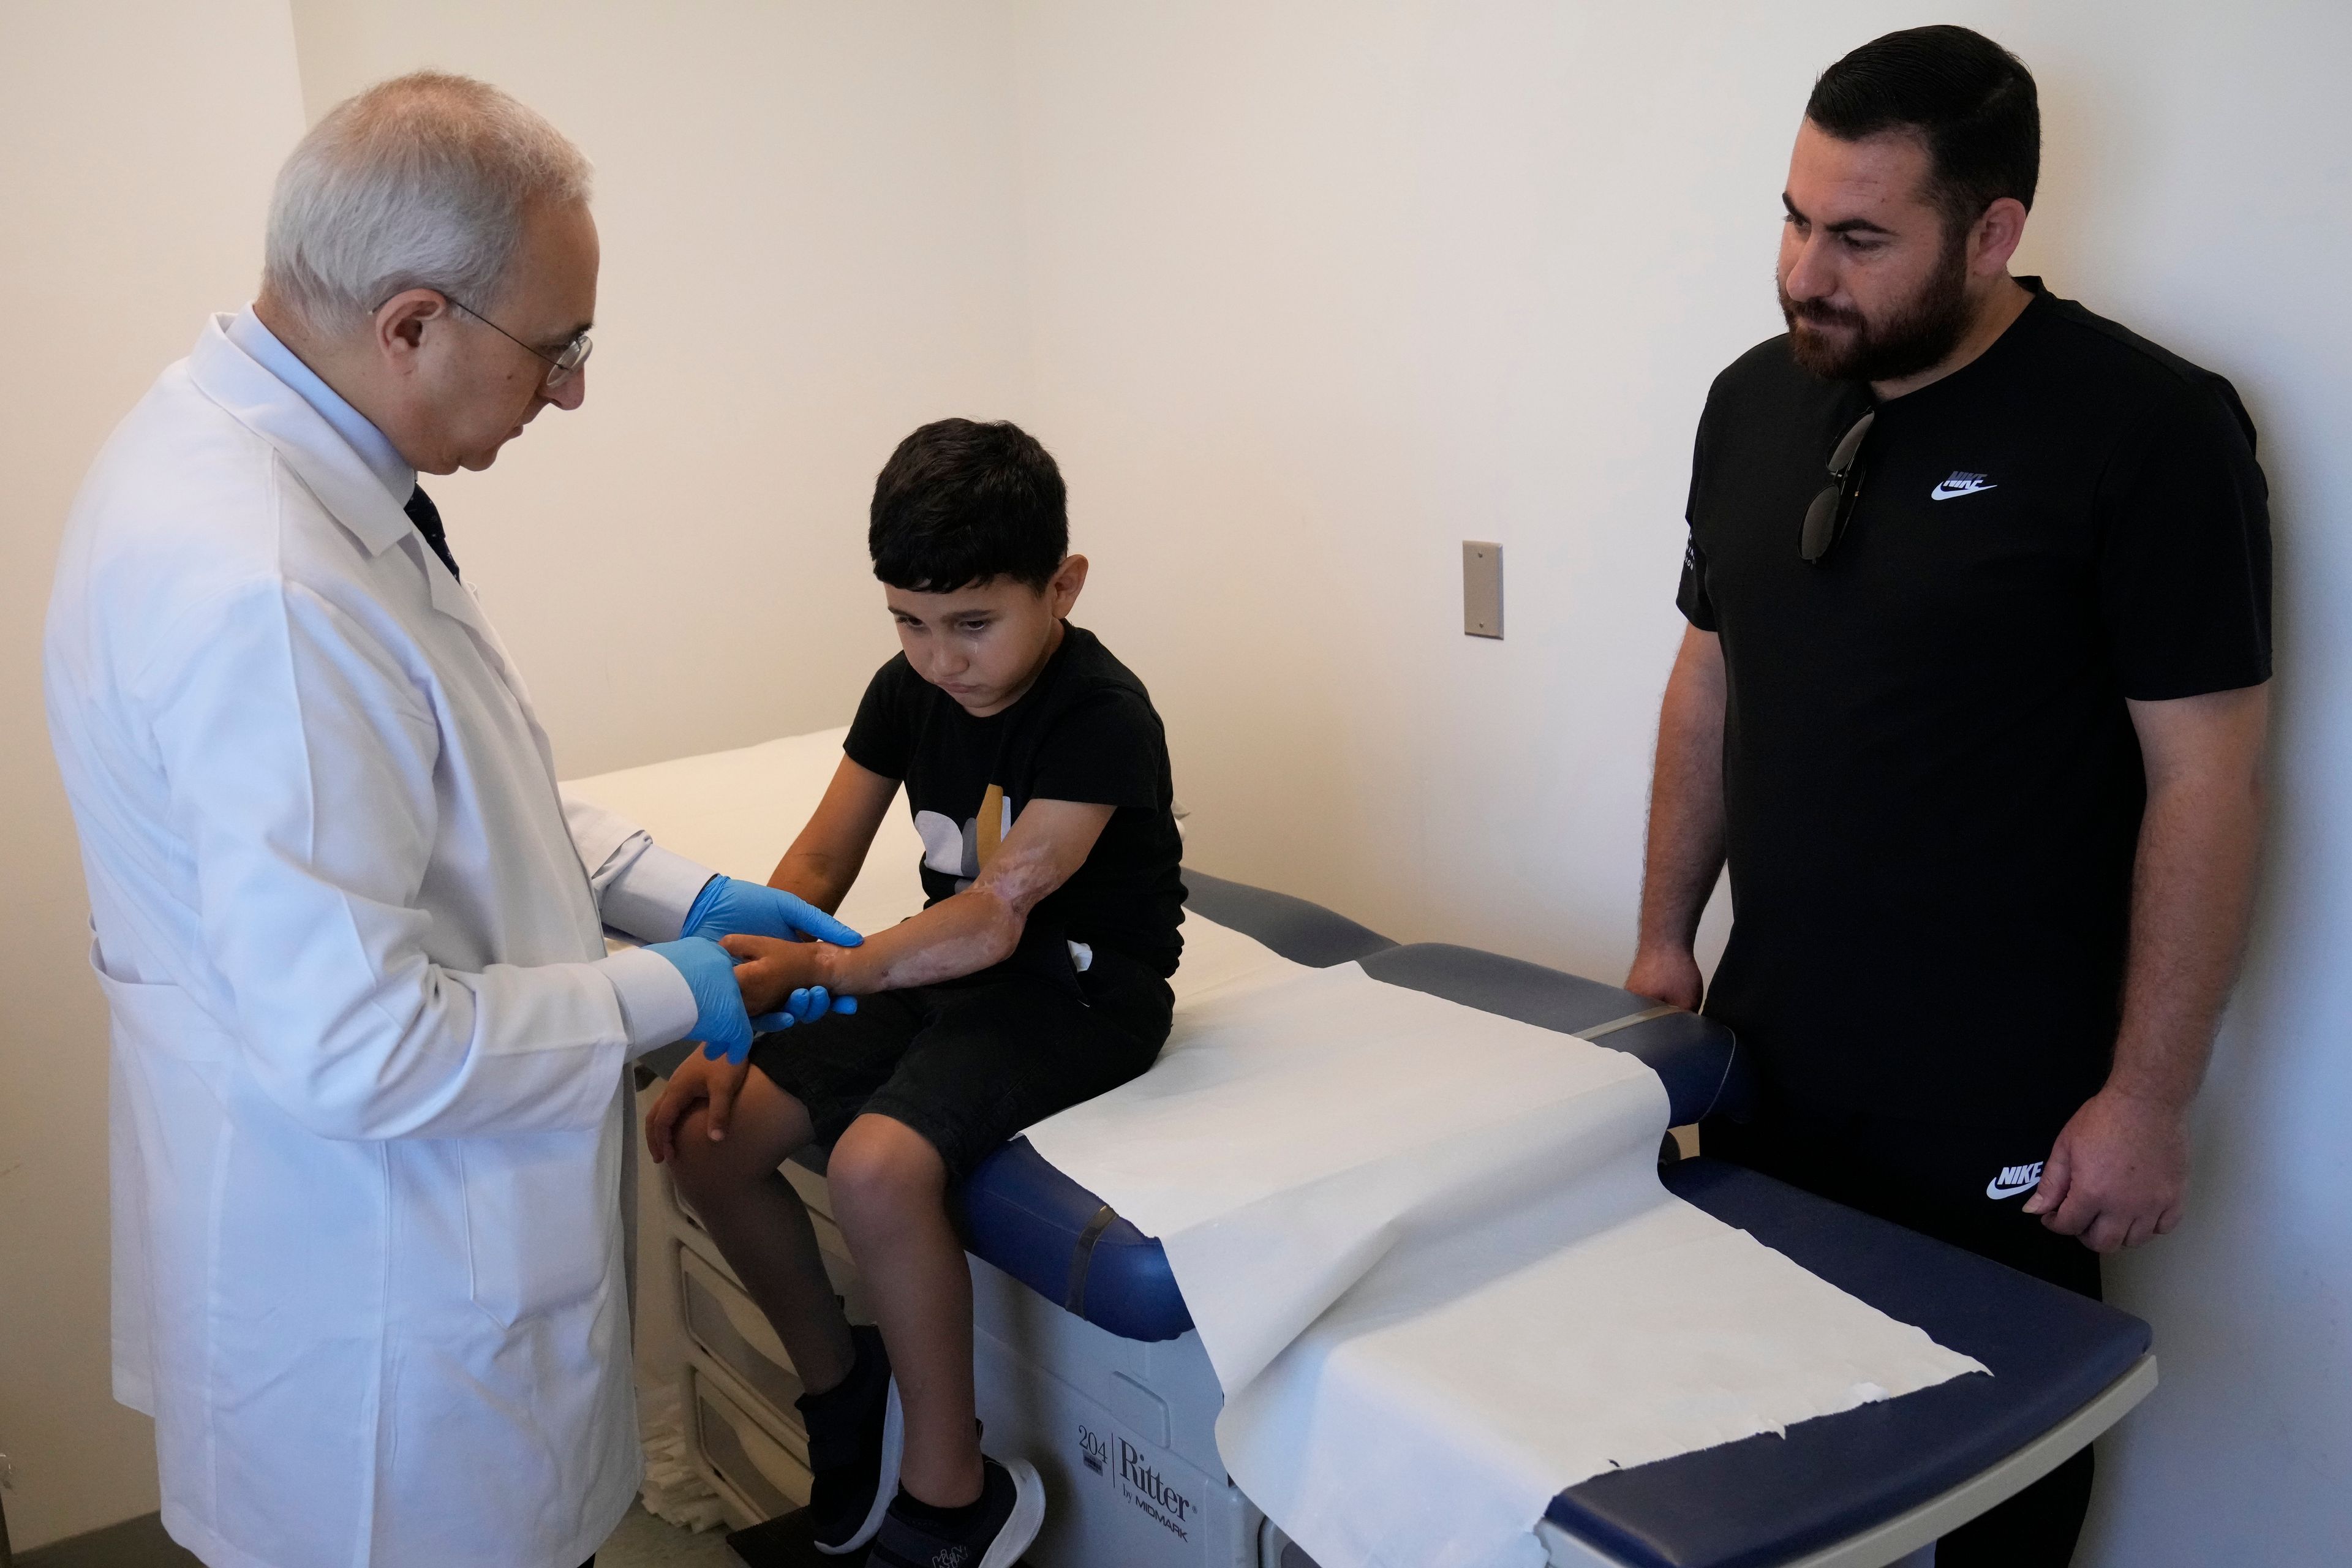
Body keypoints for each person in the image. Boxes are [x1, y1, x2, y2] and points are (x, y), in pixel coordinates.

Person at [43, 74, 861, 1568]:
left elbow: (447, 790)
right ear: (411, 323)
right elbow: (361, 1043)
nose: (574, 393)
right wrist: (666, 992)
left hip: (352, 1245)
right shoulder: (269, 584)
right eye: (557, 352)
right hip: (382, 1314)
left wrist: (671, 893)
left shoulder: (269, 451)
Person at [1625, 27, 2269, 1567]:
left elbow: (2212, 778)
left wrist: (2150, 1096)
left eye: (1859, 237)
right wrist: (1662, 940)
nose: (1805, 271)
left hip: (2013, 1097)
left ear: (1993, 232)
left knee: (1999, 1475)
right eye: (1793, 217)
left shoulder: (2152, 430)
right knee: (1755, 1439)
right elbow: (1710, 677)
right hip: (1769, 1055)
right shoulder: (1749, 402)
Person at [645, 418, 1186, 1567]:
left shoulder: (1101, 714)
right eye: (910, 622)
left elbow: (998, 911)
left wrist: (837, 969)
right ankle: (845, 1389)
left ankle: (952, 1492)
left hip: (1080, 990)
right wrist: (734, 1012)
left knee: (875, 1168)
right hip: (941, 965)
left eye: (974, 625)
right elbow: (815, 872)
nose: (941, 659)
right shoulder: (907, 687)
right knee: (706, 1134)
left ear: (1063, 587)